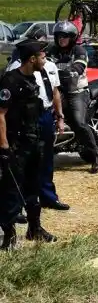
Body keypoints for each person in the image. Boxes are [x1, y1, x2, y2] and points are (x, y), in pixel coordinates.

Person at [0, 40, 57, 250]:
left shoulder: (33, 78)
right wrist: (4, 147)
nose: (45, 60)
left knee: (33, 186)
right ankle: (9, 236)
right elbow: (1, 115)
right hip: (15, 145)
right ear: (32, 59)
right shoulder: (10, 81)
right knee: (11, 190)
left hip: (33, 142)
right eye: (42, 56)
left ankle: (35, 229)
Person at [7, 38, 70, 211]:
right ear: (32, 56)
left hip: (45, 115)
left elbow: (55, 92)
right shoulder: (15, 71)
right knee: (21, 162)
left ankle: (48, 197)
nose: (45, 55)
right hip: (24, 119)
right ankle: (17, 205)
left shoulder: (49, 66)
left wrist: (59, 116)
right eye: (42, 52)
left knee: (46, 158)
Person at [46, 21, 98, 174]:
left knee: (79, 122)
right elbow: (44, 63)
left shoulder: (79, 50)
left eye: (65, 36)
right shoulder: (52, 50)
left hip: (77, 91)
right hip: (59, 90)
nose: (61, 39)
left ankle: (96, 156)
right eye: (59, 36)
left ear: (72, 37)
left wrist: (72, 70)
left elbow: (79, 65)